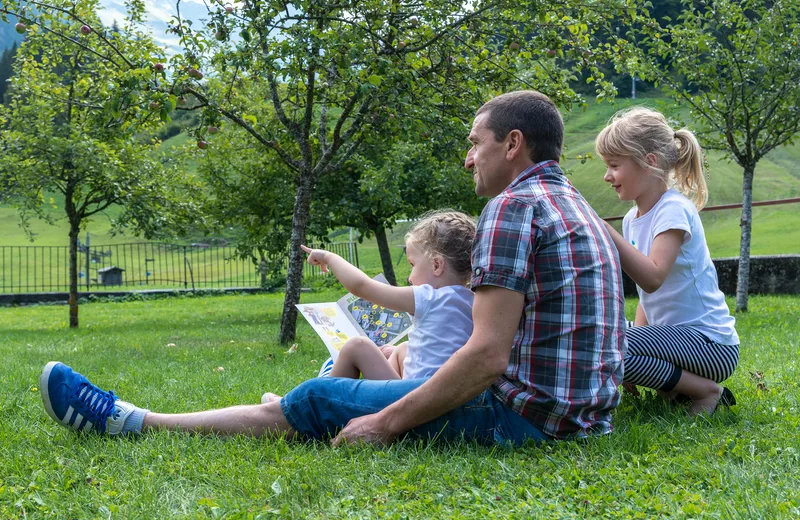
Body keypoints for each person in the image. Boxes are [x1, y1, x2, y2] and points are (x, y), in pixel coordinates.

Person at [39, 90, 625, 446]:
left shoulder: (513, 208)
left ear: (514, 143)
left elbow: (489, 353)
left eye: (476, 143)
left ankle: (134, 422)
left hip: (528, 423)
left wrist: (387, 422)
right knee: (347, 386)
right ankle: (272, 410)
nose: (469, 157)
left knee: (321, 398)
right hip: (582, 419)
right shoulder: (580, 210)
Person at [595, 107, 739, 415]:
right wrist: (636, 357)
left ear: (649, 163)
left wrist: (607, 233)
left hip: (710, 344)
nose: (607, 176)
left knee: (608, 343)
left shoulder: (673, 209)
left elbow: (653, 277)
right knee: (596, 333)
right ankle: (674, 390)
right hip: (678, 341)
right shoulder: (633, 219)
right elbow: (649, 297)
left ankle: (705, 391)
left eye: (614, 165)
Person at [259, 210, 476, 405]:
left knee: (358, 346)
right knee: (401, 349)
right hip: (443, 398)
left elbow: (361, 286)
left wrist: (329, 257)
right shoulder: (474, 300)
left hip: (414, 401)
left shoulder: (430, 297)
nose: (410, 277)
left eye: (412, 264)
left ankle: (301, 404)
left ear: (437, 265)